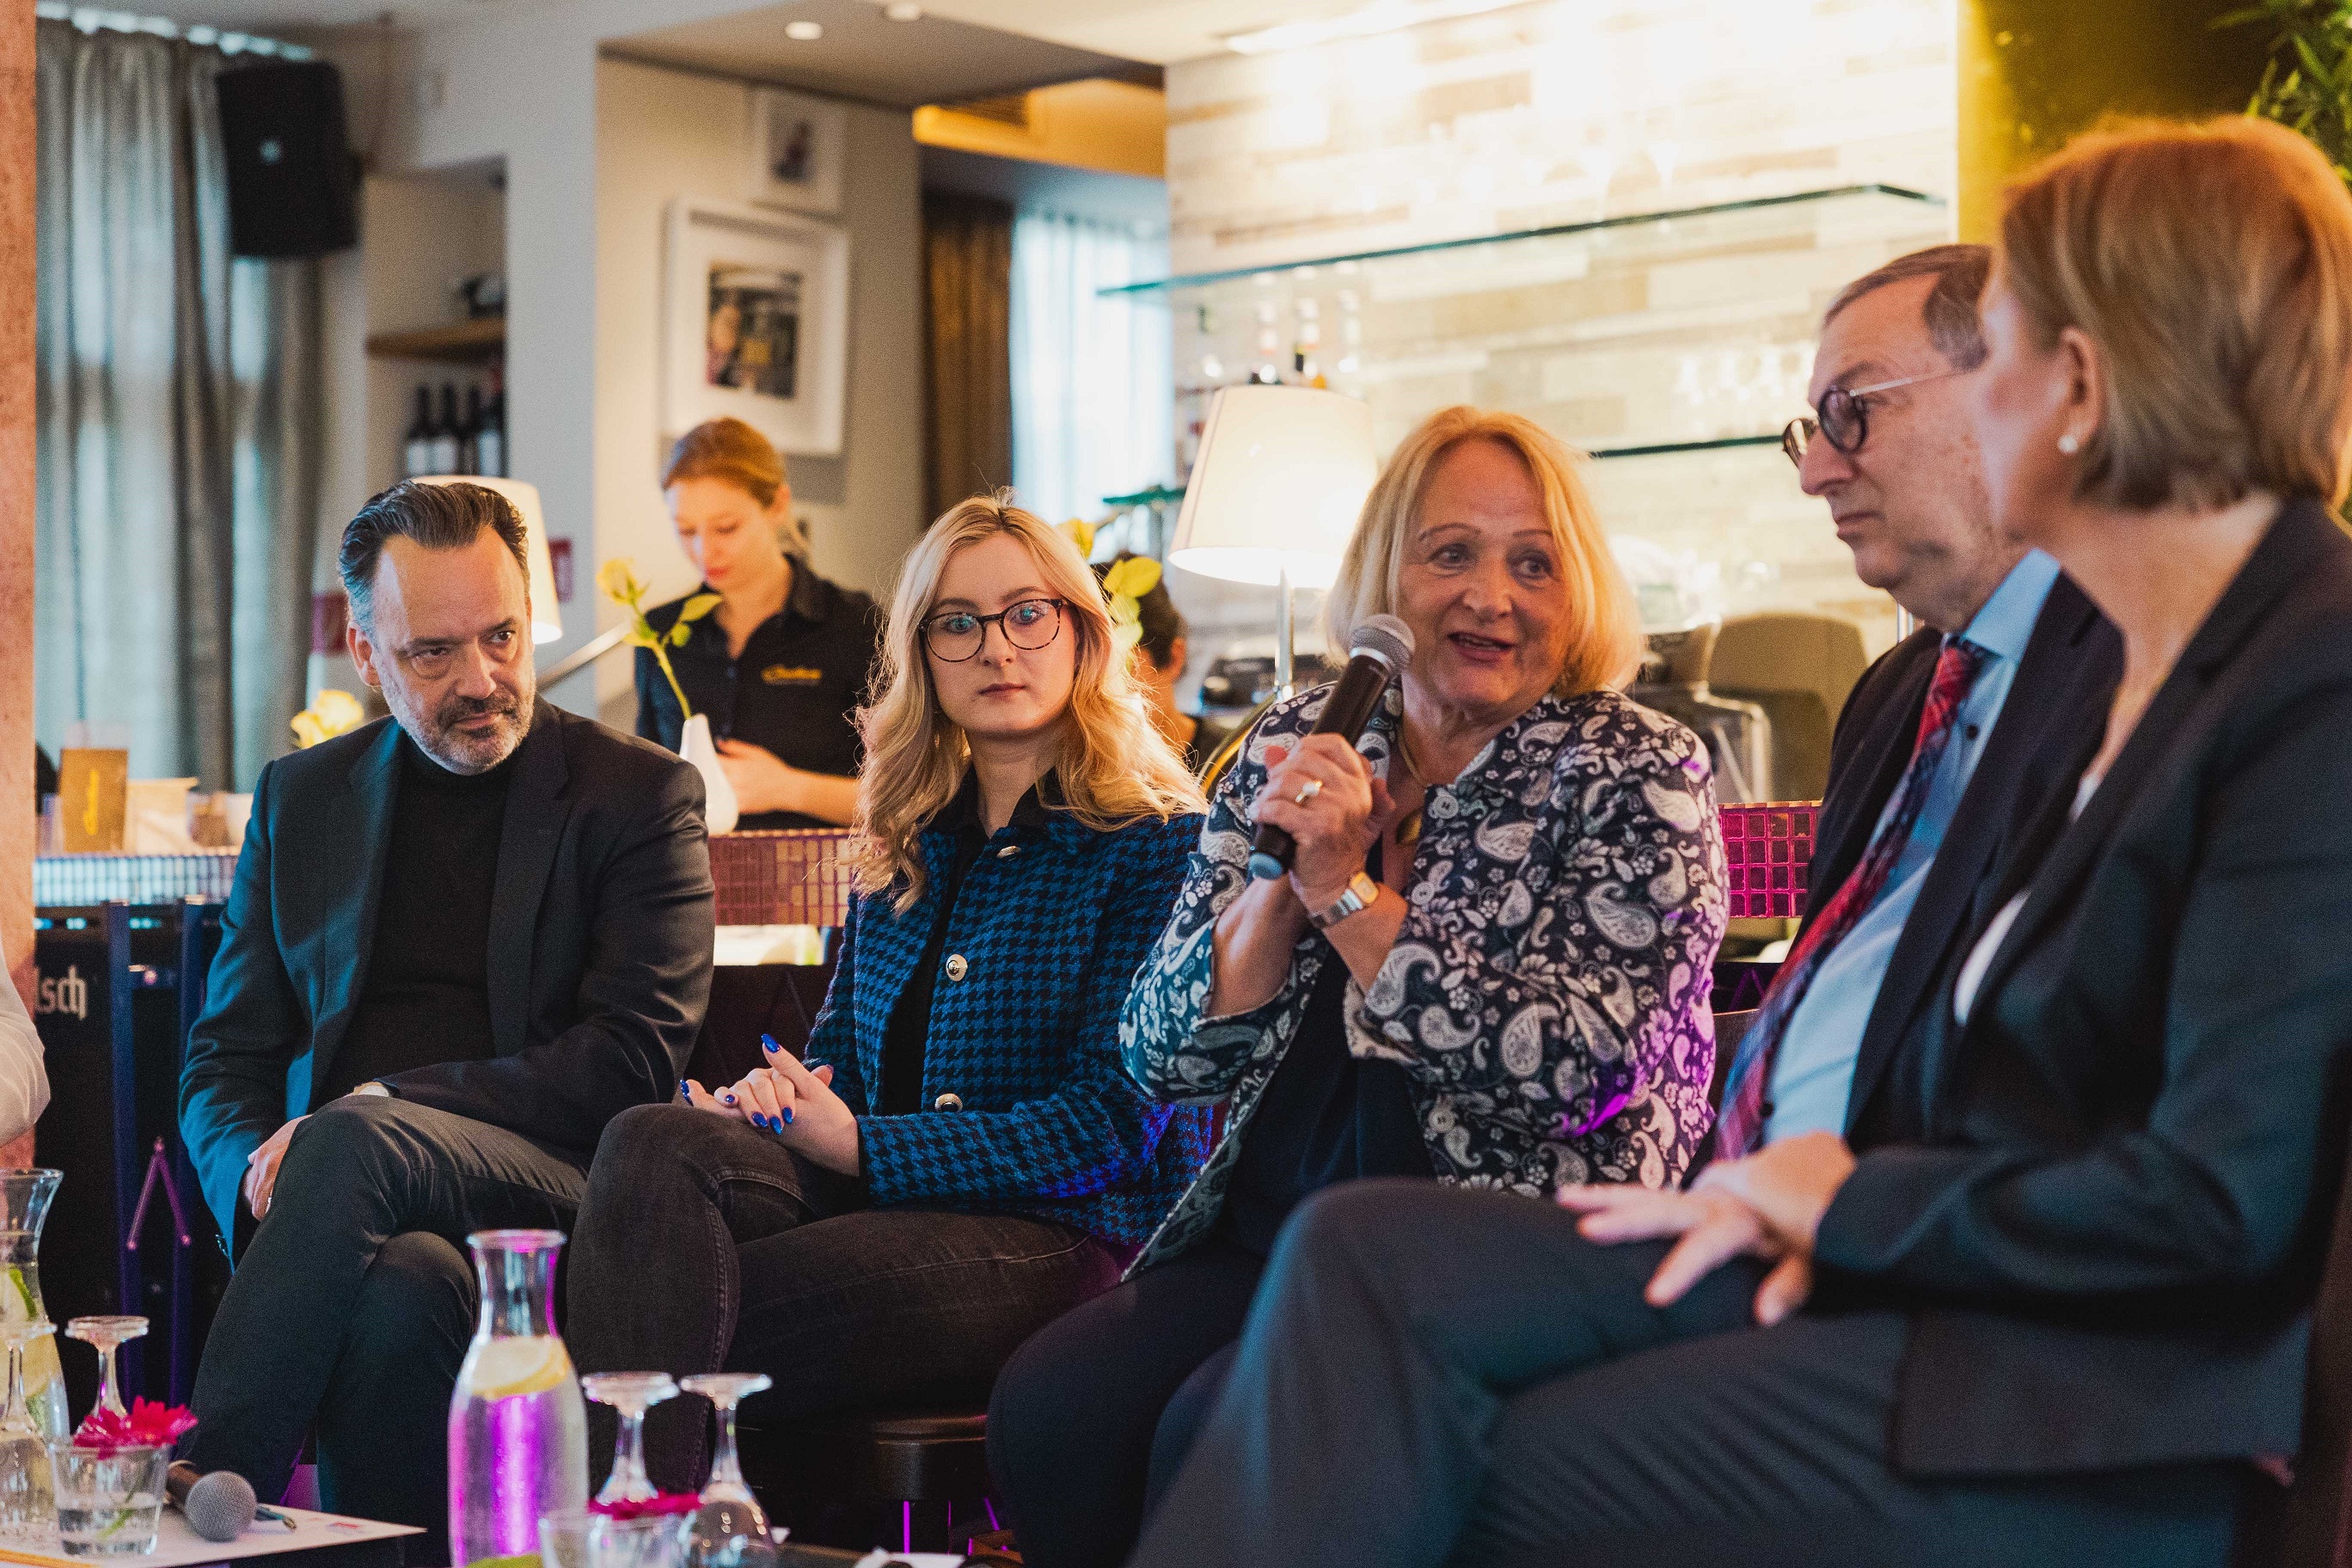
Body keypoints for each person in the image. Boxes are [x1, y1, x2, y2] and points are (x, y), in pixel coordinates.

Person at [1130, 114, 2352, 1568]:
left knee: (1422, 1461)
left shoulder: (2300, 674)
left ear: (2086, 383)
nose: (1827, 463)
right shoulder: (2131, 666)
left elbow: (2220, 1197)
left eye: (1997, 354)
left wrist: (1845, 1197)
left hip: (2062, 1385)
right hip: (1892, 1265)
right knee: (1356, 1253)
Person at [989, 407, 1728, 1568]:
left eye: (1532, 562)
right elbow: (1159, 1055)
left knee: (1214, 1426)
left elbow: (1580, 1073)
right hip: (1272, 1235)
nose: (1492, 595)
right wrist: (1280, 893)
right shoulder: (1303, 739)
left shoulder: (1636, 768)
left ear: (1575, 588)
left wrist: (1351, 900)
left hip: (1510, 1249)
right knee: (1053, 1405)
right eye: (1452, 554)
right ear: (1387, 575)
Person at [565, 495, 1213, 1496]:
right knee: (654, 1140)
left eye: (1028, 613)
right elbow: (845, 1067)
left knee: (682, 1300)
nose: (997, 647)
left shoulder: (1158, 842)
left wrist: (863, 1145)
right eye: (959, 622)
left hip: (1068, 1241)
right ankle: (658, 1527)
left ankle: (633, 1527)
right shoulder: (901, 845)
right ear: (924, 654)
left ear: (1081, 633)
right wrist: (774, 1103)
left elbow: (1114, 1127)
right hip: (890, 1204)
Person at [178, 481, 714, 1553]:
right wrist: (261, 1181)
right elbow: (223, 1062)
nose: (484, 681)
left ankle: (210, 1487)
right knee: (400, 1292)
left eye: (504, 636)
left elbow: (631, 1062)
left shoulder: (638, 798)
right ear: (368, 656)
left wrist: (374, 1110)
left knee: (353, 1134)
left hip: (554, 1189)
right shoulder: (302, 797)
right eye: (435, 653)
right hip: (348, 1218)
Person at [1711, 242, 2120, 1170]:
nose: (1813, 471)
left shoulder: (2139, 674)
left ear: (2018, 395)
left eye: (1850, 413)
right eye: (1808, 428)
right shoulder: (1893, 695)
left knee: (1355, 1250)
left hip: (1916, 1234)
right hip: (1746, 1201)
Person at [636, 418, 878, 828]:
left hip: (824, 882)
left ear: (777, 506)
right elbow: (642, 785)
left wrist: (790, 788)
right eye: (685, 531)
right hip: (691, 881)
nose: (704, 550)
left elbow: (914, 799)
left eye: (726, 528)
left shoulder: (854, 626)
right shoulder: (660, 633)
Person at [1097, 553, 1232, 776]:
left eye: (1122, 668)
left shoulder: (1233, 761)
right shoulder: (1071, 779)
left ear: (1174, 659)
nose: (1101, 690)